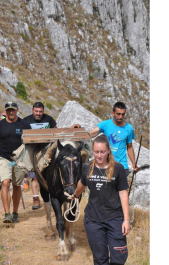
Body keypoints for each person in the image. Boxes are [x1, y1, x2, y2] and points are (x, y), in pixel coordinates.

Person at [71, 135, 130, 265]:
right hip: (93, 220)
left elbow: (123, 194)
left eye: (102, 152)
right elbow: (82, 183)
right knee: (100, 259)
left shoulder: (118, 168)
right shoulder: (87, 167)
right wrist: (75, 194)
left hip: (115, 219)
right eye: (96, 152)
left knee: (118, 259)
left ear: (108, 150)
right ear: (92, 151)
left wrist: (126, 220)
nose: (99, 155)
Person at [0, 102, 31, 223]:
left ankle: (15, 212)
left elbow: (30, 141)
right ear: (5, 111)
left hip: (19, 159)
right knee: (5, 183)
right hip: (4, 157)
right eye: (8, 110)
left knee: (17, 186)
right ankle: (7, 213)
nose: (11, 112)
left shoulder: (24, 124)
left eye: (13, 110)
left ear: (17, 110)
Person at [89, 102, 139, 177]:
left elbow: (129, 147)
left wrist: (133, 163)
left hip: (122, 166)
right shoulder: (105, 124)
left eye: (123, 114)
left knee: (122, 189)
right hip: (106, 164)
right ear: (113, 113)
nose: (121, 117)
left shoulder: (129, 128)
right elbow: (90, 134)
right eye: (118, 114)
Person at [23, 102, 57, 210]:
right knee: (35, 176)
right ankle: (35, 198)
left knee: (50, 174)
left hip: (46, 148)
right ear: (33, 110)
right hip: (32, 148)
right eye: (36, 111)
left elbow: (56, 132)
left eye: (40, 111)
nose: (38, 114)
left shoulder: (49, 119)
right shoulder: (26, 120)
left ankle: (53, 197)